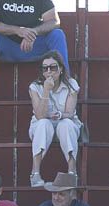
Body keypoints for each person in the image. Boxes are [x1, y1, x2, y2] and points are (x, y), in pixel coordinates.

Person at [0, 0, 69, 102]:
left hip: (34, 46)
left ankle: (65, 84)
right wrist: (18, 30)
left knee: (57, 34)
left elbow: (54, 21)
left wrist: (33, 32)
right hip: (7, 47)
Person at [27, 51, 80, 187]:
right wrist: (46, 90)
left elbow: (70, 112)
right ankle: (35, 173)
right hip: (42, 126)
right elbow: (39, 115)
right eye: (45, 68)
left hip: (65, 123)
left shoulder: (71, 84)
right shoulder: (35, 87)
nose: (49, 71)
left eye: (53, 67)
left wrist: (61, 115)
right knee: (43, 123)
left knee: (66, 124)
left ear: (61, 69)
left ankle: (72, 172)